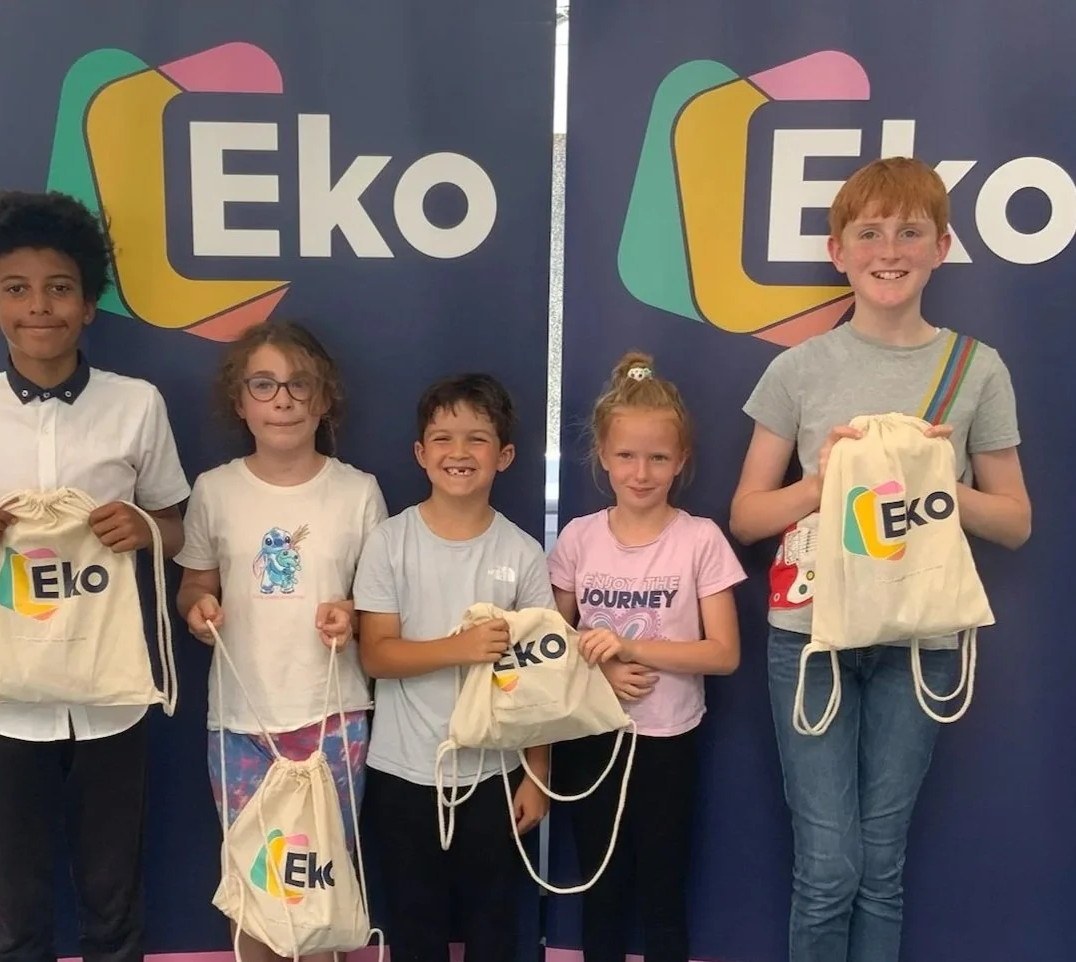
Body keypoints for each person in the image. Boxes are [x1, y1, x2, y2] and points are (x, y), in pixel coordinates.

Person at [729, 157, 1032, 962]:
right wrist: (821, 482)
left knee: (880, 866)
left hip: (915, 637)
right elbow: (746, 516)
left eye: (908, 232)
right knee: (828, 868)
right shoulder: (796, 369)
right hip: (810, 635)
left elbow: (1013, 521)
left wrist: (935, 479)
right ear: (838, 251)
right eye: (868, 232)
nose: (888, 249)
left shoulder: (976, 369)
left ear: (941, 246)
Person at [0, 190, 189, 962]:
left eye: (60, 288)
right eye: (17, 290)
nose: (40, 307)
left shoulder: (135, 405)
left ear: (90, 304)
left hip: (109, 692)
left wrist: (141, 529)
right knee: (12, 898)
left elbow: (175, 523)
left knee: (113, 894)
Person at [175, 319, 386, 962]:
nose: (284, 399)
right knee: (254, 882)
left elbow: (378, 608)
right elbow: (192, 588)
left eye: (300, 384)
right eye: (264, 385)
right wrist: (198, 608)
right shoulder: (214, 490)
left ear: (324, 400)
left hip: (333, 717)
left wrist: (349, 613)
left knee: (315, 880)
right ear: (240, 401)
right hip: (241, 721)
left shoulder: (357, 493)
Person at [548, 351, 746, 962]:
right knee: (600, 888)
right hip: (591, 738)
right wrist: (601, 666)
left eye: (658, 457)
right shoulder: (579, 537)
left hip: (667, 742)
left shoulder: (700, 539)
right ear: (603, 457)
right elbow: (550, 644)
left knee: (662, 889)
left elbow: (724, 654)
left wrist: (629, 644)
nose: (641, 472)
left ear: (680, 461)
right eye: (626, 456)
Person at [353, 373, 553, 962]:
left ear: (505, 455)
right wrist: (459, 647)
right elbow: (377, 654)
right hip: (403, 775)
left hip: (494, 777)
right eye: (442, 439)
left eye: (477, 439)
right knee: (416, 928)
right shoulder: (390, 542)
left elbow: (542, 683)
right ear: (420, 453)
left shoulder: (522, 553)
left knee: (495, 927)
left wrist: (536, 778)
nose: (459, 453)